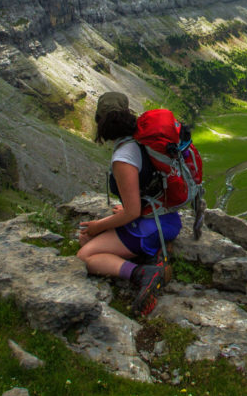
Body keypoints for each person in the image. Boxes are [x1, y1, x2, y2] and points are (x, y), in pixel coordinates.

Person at [76, 91, 181, 314]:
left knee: (85, 253)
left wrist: (98, 226)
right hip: (165, 217)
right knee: (89, 239)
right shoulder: (142, 140)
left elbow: (131, 213)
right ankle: (158, 253)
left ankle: (143, 273)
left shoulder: (124, 157)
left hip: (151, 225)